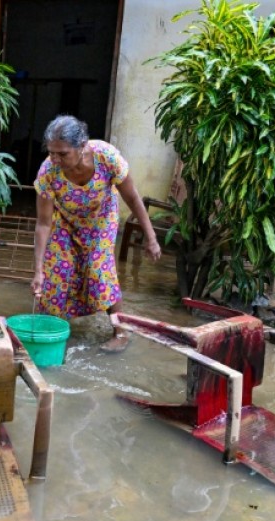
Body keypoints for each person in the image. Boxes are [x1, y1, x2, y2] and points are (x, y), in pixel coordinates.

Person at [31, 115, 161, 352]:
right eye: (51, 152)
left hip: (100, 221)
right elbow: (43, 223)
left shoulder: (106, 157)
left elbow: (132, 198)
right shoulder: (48, 172)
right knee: (57, 275)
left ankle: (120, 331)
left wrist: (151, 237)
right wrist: (38, 269)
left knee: (99, 272)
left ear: (82, 147)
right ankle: (57, 331)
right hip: (65, 223)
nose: (55, 159)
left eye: (63, 153)